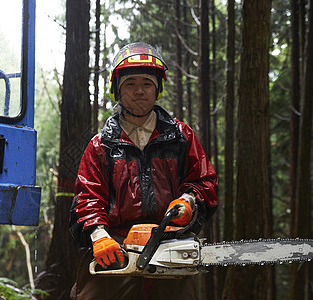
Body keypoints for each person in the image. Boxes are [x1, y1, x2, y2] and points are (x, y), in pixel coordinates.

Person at [69, 42, 218, 300]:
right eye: (130, 83)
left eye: (147, 83)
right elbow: (87, 196)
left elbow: (204, 180)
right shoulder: (101, 144)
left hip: (171, 245)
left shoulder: (181, 137)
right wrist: (98, 234)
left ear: (157, 88)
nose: (139, 91)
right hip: (117, 247)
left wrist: (189, 201)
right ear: (117, 89)